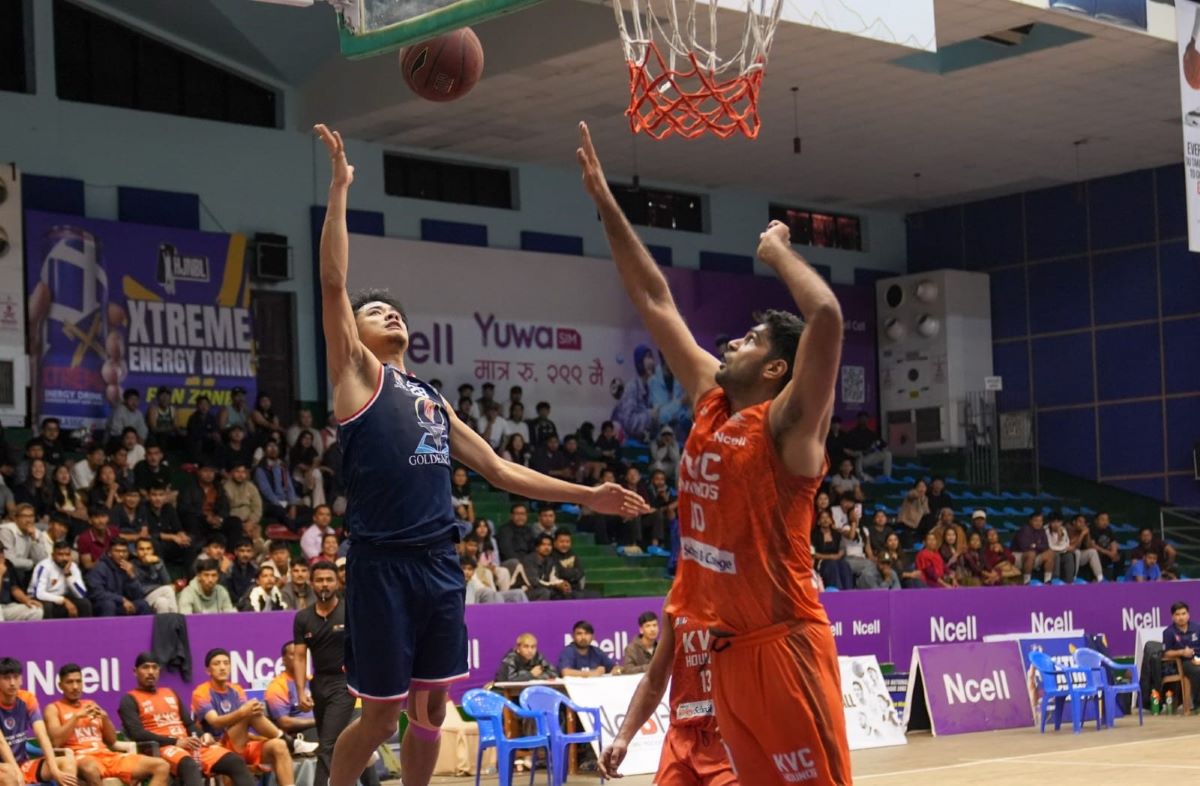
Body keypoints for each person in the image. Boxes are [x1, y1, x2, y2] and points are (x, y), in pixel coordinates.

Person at [313, 124, 647, 786]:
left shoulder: (432, 399)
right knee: (379, 717)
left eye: (395, 312)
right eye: (375, 312)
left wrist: (587, 495)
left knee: (431, 710)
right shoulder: (356, 374)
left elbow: (498, 469)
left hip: (440, 564)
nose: (390, 315)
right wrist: (340, 190)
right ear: (354, 331)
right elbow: (331, 281)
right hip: (382, 562)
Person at [580, 120, 850, 784]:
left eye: (751, 341)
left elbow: (826, 319)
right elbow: (653, 298)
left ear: (777, 370)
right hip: (726, 657)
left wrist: (777, 250)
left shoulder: (789, 430)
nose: (731, 343)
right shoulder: (709, 397)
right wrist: (604, 203)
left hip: (785, 644)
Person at [600, 610, 735, 785]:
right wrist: (622, 738)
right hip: (681, 740)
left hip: (729, 738)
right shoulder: (676, 601)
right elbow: (654, 680)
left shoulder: (744, 598)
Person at [291, 562, 380, 786]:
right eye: (319, 580)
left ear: (337, 582)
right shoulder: (303, 618)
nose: (324, 584)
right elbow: (299, 657)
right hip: (319, 684)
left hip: (345, 683)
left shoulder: (350, 611)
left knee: (327, 746)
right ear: (312, 583)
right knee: (345, 743)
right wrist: (300, 691)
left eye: (329, 579)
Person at [118, 653, 255, 786]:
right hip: (161, 748)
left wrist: (203, 735)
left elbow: (189, 724)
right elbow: (137, 734)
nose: (150, 672)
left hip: (188, 744)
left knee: (235, 761)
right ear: (135, 672)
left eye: (155, 667)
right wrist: (176, 742)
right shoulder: (129, 699)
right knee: (189, 764)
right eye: (145, 667)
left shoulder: (170, 693)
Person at [191, 649, 313, 783]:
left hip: (241, 743)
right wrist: (243, 712)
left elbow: (244, 727)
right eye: (217, 664)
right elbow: (215, 722)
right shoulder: (201, 692)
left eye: (226, 663)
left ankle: (287, 746)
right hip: (216, 745)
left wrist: (263, 738)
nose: (222, 667)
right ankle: (291, 742)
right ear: (208, 670)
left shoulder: (236, 689)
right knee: (249, 712)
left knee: (279, 745)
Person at [45, 663, 169, 786]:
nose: (75, 687)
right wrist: (76, 717)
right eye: (70, 682)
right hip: (81, 757)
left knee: (161, 766)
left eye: (79, 681)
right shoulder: (53, 708)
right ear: (60, 685)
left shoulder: (91, 704)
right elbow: (56, 742)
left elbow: (111, 740)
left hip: (107, 756)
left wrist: (105, 718)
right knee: (90, 769)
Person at [0, 657, 78, 786]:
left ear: (21, 679)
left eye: (16, 677)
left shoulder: (27, 698)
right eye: (6, 678)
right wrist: (16, 772)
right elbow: (2, 743)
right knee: (10, 774)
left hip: (22, 764)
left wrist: (54, 770)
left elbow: (42, 735)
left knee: (67, 763)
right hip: (4, 767)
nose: (12, 683)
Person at [85, 540, 151, 617]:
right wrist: (121, 599)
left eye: (124, 551)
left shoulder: (128, 568)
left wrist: (131, 577)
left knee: (143, 604)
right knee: (109, 604)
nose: (121, 554)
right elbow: (96, 593)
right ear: (109, 553)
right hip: (102, 605)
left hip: (122, 605)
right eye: (117, 551)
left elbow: (138, 596)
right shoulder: (99, 567)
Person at [266, 643, 317, 739]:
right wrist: (317, 721)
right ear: (283, 660)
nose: (298, 658)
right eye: (293, 654)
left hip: (323, 727)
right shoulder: (277, 686)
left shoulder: (313, 680)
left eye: (301, 655)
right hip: (300, 733)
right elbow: (284, 723)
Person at [30, 541, 93, 619]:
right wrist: (64, 600)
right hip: (42, 598)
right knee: (48, 606)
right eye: (60, 554)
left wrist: (68, 575)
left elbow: (82, 594)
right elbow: (39, 594)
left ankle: (85, 627)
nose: (64, 558)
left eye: (67, 555)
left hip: (61, 597)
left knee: (85, 603)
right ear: (53, 555)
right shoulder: (44, 566)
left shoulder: (72, 566)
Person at [0, 504, 53, 588]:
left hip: (24, 574)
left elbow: (43, 560)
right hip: (7, 573)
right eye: (24, 516)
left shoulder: (36, 532)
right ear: (15, 518)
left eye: (31, 516)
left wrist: (34, 540)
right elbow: (9, 560)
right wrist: (33, 564)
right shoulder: (7, 531)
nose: (29, 520)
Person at [1162, 601, 1200, 709]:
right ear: (1173, 617)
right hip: (1184, 662)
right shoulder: (1168, 632)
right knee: (1197, 671)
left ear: (1188, 615)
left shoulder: (1197, 627)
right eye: (1177, 614)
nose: (1181, 617)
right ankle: (1197, 703)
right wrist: (1182, 652)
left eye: (1183, 614)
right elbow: (1167, 652)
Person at [131, 537, 179, 614]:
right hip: (142, 599)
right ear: (135, 552)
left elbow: (167, 582)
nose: (145, 552)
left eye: (148, 549)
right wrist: (159, 587)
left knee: (162, 602)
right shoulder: (132, 565)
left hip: (157, 595)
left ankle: (165, 622)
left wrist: (158, 562)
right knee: (168, 589)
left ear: (153, 550)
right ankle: (176, 618)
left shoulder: (157, 561)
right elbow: (141, 590)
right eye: (141, 549)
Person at [0, 544, 43, 620]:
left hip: (7, 606)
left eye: (2, 551)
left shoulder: (8, 564)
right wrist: (0, 574)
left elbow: (14, 588)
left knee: (36, 611)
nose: (1, 555)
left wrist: (26, 600)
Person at [1012, 513, 1056, 584]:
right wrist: (1038, 547)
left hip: (1035, 554)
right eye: (1036, 521)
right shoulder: (1025, 529)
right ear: (1030, 521)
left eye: (1040, 521)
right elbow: (1024, 547)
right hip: (1018, 556)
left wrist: (1034, 546)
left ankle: (1048, 580)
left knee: (1050, 553)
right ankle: (1026, 581)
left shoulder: (1042, 530)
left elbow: (1046, 546)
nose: (1038, 523)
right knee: (1031, 554)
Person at [494, 634, 558, 682]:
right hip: (503, 691)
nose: (530, 650)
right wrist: (530, 674)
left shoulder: (538, 656)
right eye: (526, 647)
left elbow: (553, 673)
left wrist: (537, 677)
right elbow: (510, 679)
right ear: (518, 648)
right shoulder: (511, 658)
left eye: (533, 647)